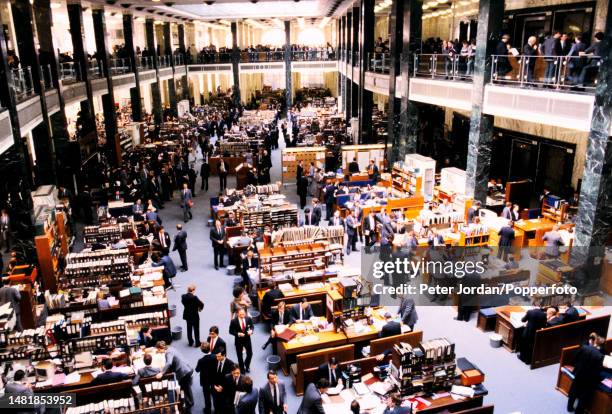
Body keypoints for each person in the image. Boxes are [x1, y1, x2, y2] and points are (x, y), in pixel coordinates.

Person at [567, 333, 605, 413]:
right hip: (589, 377)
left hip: (579, 372)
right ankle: (578, 412)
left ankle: (569, 407)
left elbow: (575, 358)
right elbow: (598, 369)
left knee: (574, 390)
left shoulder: (584, 348)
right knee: (584, 396)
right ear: (600, 345)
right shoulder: (600, 355)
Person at [156, 341, 195, 408]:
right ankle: (190, 402)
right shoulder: (170, 348)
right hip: (186, 367)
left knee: (184, 388)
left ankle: (189, 403)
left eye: (158, 350)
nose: (158, 351)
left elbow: (169, 363)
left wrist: (162, 373)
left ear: (160, 348)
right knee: (187, 387)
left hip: (183, 372)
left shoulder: (168, 352)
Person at [229, 308, 254, 373]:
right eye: (240, 314)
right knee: (239, 356)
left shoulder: (248, 318)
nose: (242, 315)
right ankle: (242, 368)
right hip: (238, 341)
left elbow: (252, 327)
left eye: (243, 314)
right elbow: (230, 331)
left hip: (247, 339)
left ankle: (247, 365)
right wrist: (238, 334)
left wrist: (251, 331)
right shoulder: (233, 321)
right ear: (237, 314)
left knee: (250, 354)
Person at [195, 343, 216, 414]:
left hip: (205, 380)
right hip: (214, 378)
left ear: (202, 350)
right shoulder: (215, 357)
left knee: (206, 396)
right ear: (210, 348)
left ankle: (208, 410)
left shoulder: (201, 360)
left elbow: (197, 370)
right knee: (215, 394)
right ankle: (216, 408)